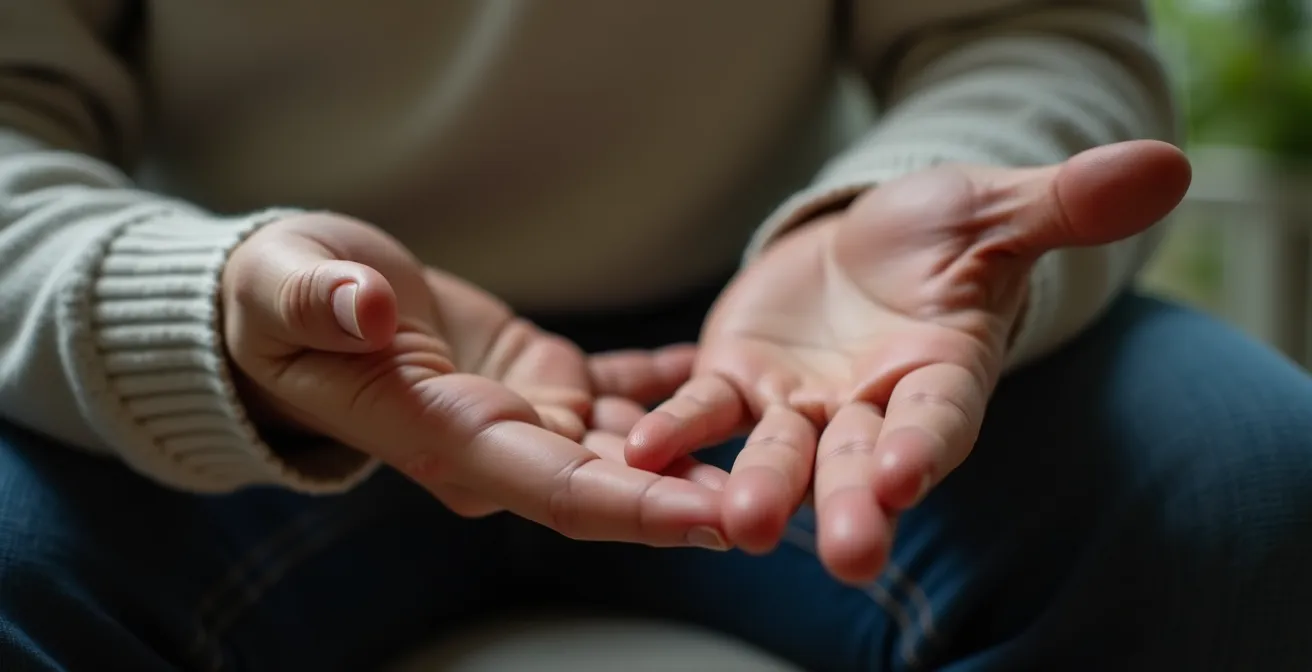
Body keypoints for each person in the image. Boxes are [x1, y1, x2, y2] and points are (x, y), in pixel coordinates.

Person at [1, 0, 1310, 670]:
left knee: (1247, 492)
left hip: (789, 332)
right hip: (266, 353)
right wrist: (188, 302)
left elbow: (1026, 29)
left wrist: (898, 203)